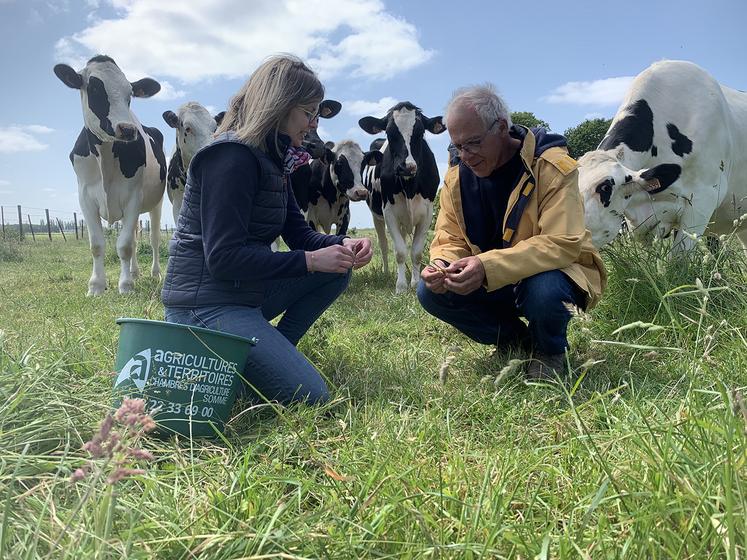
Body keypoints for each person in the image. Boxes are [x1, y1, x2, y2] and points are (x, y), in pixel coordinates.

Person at [161, 54, 372, 404]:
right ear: (279, 105)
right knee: (312, 396)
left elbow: (298, 234)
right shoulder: (231, 157)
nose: (313, 124)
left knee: (337, 268)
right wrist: (309, 261)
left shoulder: (274, 160)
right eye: (308, 113)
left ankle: (271, 356)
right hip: (204, 305)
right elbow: (223, 259)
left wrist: (343, 244)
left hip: (242, 294)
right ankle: (239, 373)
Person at [418, 84, 606, 379]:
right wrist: (443, 264)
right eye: (458, 147)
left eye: (474, 143)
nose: (465, 155)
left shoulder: (553, 166)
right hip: (494, 278)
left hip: (554, 273)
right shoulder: (456, 178)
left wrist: (486, 266)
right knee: (430, 293)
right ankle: (516, 341)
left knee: (544, 289)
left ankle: (549, 351)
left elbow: (562, 243)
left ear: (501, 128)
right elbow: (449, 238)